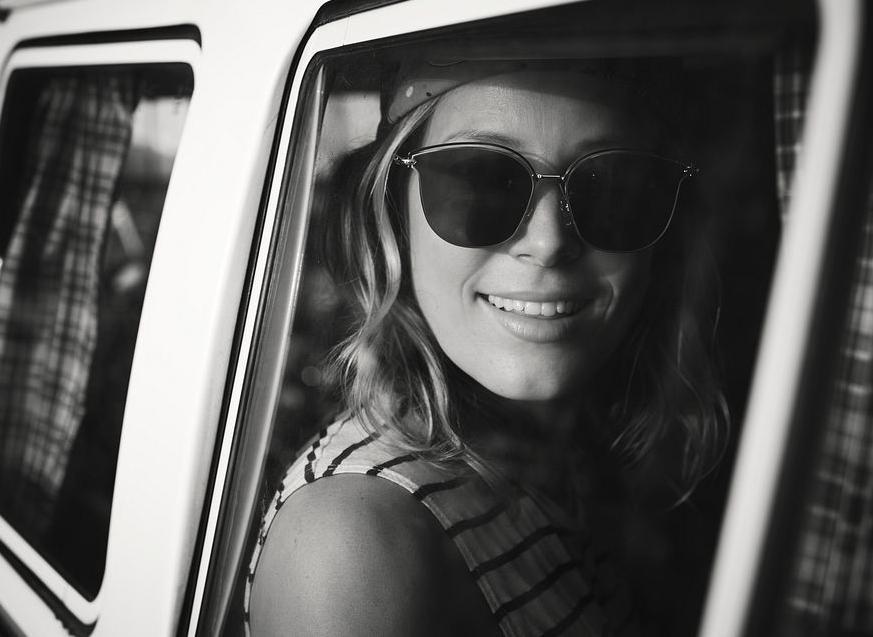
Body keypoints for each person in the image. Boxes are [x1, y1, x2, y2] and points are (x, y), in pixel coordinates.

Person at [245, 56, 728, 636]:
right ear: (394, 218)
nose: (549, 244)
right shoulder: (351, 541)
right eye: (482, 179)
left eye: (612, 186)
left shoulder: (572, 454)